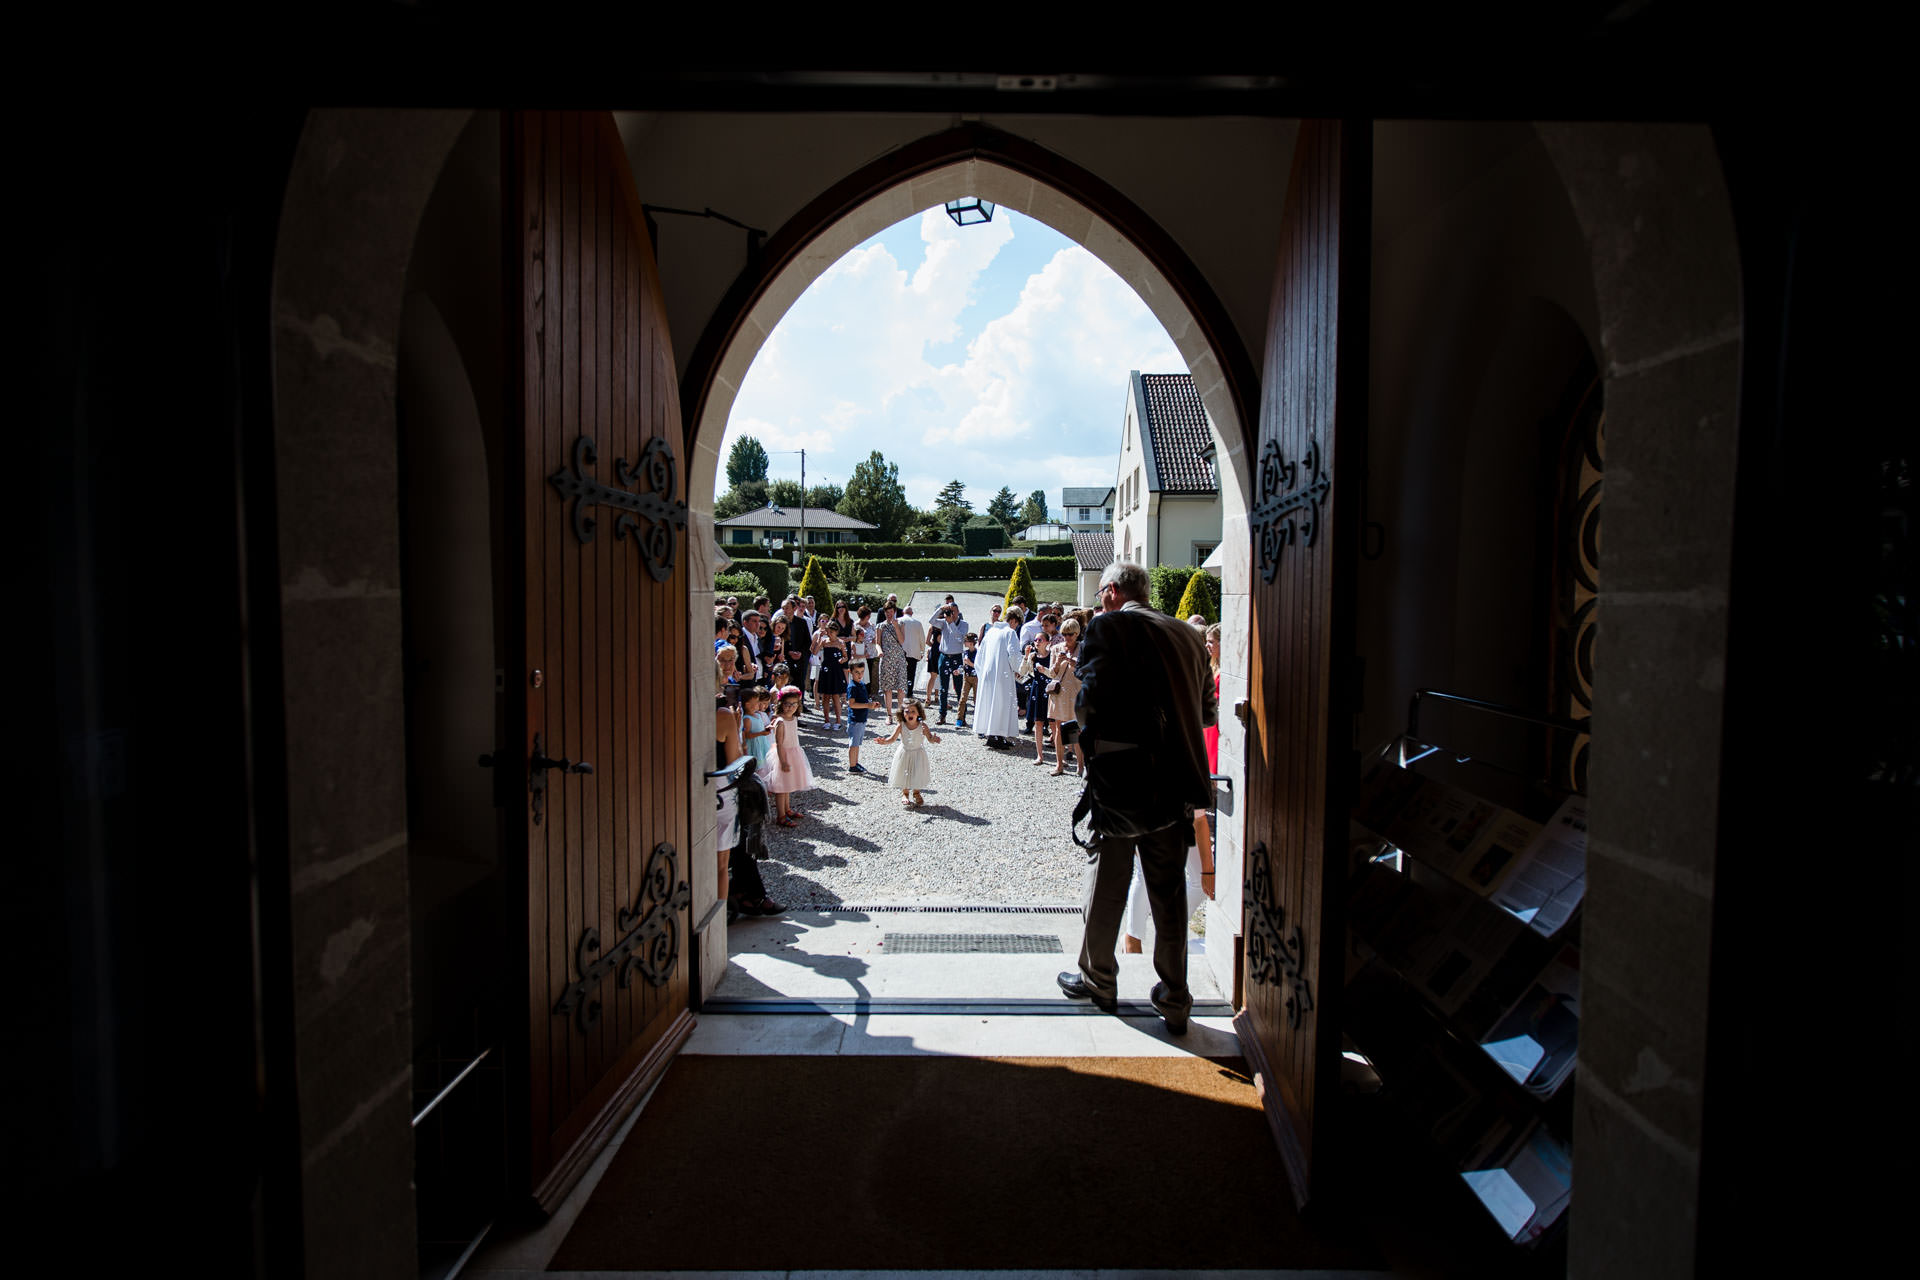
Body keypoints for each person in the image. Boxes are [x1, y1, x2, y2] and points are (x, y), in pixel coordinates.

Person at [1057, 561, 1217, 1035]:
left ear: (1110, 592)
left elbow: (1091, 700)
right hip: (1176, 782)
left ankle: (1099, 980)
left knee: (1107, 878)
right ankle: (1175, 998)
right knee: (1167, 893)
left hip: (1123, 779)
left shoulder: (1109, 625)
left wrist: (1089, 737)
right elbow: (1207, 712)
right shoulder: (1190, 636)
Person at [872, 698, 941, 807]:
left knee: (917, 772)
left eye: (913, 711)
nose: (910, 713)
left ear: (919, 712)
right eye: (907, 711)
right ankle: (905, 793)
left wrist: (934, 739)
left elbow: (930, 739)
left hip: (918, 753)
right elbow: (893, 738)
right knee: (904, 772)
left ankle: (917, 792)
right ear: (902, 713)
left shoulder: (923, 726)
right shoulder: (901, 725)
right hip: (904, 752)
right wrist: (884, 741)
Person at [972, 605, 1025, 747]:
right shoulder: (1010, 633)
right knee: (1001, 704)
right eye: (1017, 624)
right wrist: (1020, 669)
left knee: (991, 702)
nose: (1016, 627)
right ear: (1014, 620)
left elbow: (980, 655)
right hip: (1003, 674)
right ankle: (998, 735)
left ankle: (993, 734)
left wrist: (981, 672)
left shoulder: (991, 632)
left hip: (988, 673)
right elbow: (1014, 655)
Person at [764, 685, 814, 827]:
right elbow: (779, 744)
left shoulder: (793, 718)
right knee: (781, 787)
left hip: (794, 752)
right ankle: (781, 815)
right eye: (787, 704)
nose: (791, 707)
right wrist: (783, 761)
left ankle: (787, 809)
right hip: (783, 755)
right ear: (781, 704)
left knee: (788, 785)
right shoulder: (780, 721)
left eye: (794, 704)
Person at [1042, 615, 1086, 776]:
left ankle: (1080, 766)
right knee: (1059, 730)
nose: (1067, 638)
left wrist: (1071, 661)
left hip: (1076, 693)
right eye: (1065, 634)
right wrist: (1058, 663)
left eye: (1070, 634)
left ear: (1077, 634)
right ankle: (1059, 765)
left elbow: (1085, 671)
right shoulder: (1056, 648)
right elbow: (1052, 673)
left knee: (1076, 730)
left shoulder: (1083, 648)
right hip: (1060, 693)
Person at [932, 599, 967, 722]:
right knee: (943, 688)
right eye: (950, 611)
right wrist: (940, 609)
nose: (951, 613)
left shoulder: (963, 624)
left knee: (959, 688)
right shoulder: (943, 622)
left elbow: (959, 638)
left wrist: (951, 623)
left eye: (953, 611)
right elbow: (931, 621)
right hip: (944, 656)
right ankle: (942, 715)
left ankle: (961, 716)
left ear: (958, 612)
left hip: (957, 657)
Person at [814, 621, 848, 728]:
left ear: (836, 632)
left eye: (831, 632)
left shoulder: (841, 642)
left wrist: (843, 660)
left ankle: (838, 721)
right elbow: (815, 652)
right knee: (825, 696)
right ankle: (827, 720)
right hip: (826, 670)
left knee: (836, 696)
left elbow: (846, 656)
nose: (829, 634)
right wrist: (819, 638)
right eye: (828, 632)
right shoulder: (824, 641)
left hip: (836, 670)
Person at [844, 660, 875, 775]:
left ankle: (855, 763)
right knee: (854, 744)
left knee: (857, 744)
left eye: (862, 672)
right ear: (850, 672)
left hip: (861, 719)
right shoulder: (852, 687)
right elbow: (851, 704)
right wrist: (867, 705)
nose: (860, 675)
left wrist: (871, 704)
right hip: (855, 720)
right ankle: (852, 766)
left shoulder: (861, 684)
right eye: (857, 672)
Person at [900, 604, 927, 694]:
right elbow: (922, 639)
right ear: (912, 613)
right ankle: (910, 691)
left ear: (903, 612)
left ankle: (900, 690)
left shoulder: (898, 621)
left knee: (900, 672)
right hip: (913, 652)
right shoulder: (917, 623)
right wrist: (922, 651)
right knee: (911, 673)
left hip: (900, 651)